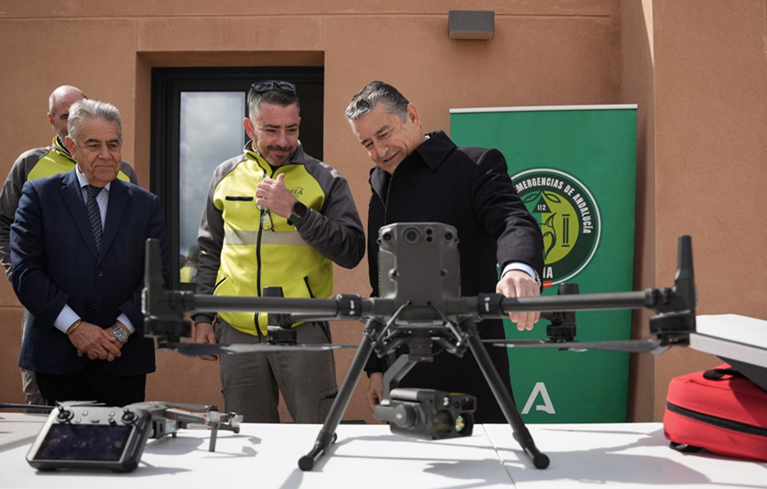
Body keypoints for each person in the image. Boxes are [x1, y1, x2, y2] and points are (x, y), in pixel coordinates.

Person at [345, 81, 544, 423]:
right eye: (367, 144)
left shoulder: (474, 165)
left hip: (470, 360)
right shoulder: (379, 186)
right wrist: (376, 367)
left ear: (412, 115)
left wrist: (518, 269)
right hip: (401, 367)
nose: (379, 150)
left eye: (384, 133)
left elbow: (514, 220)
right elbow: (380, 285)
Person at [193, 80, 365, 423]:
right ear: (248, 126)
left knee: (317, 433)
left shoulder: (325, 178)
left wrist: (297, 211)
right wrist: (201, 317)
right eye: (271, 130)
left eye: (291, 129)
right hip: (237, 331)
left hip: (303, 330)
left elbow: (351, 250)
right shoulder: (224, 175)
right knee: (251, 444)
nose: (283, 141)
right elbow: (209, 249)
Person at [9, 99, 169, 406]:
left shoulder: (145, 204)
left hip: (123, 357)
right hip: (57, 359)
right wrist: (76, 328)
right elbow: (26, 272)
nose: (106, 155)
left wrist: (119, 332)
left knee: (120, 449)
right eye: (93, 144)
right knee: (61, 450)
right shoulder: (39, 195)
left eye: (113, 144)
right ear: (71, 146)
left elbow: (158, 276)